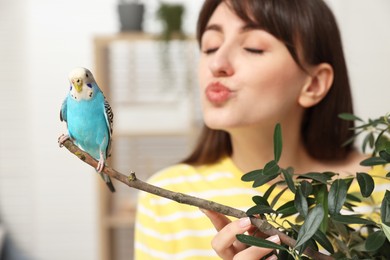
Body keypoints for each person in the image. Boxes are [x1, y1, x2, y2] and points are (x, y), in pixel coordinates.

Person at [134, 0, 388, 259]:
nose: (217, 63)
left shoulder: (382, 188)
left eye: (252, 48)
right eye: (210, 47)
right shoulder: (166, 197)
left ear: (313, 84)